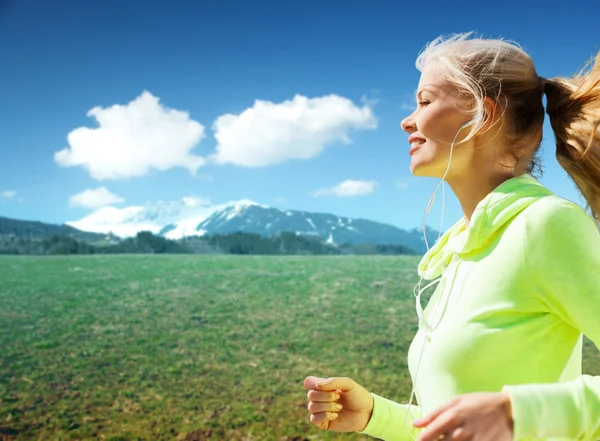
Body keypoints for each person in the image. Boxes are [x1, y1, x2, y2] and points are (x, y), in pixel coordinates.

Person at [303, 31, 600, 441]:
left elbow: (502, 418)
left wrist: (523, 413)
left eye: (424, 101)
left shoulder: (544, 226)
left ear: (484, 115)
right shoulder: (467, 244)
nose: (407, 119)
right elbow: (462, 422)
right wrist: (374, 414)